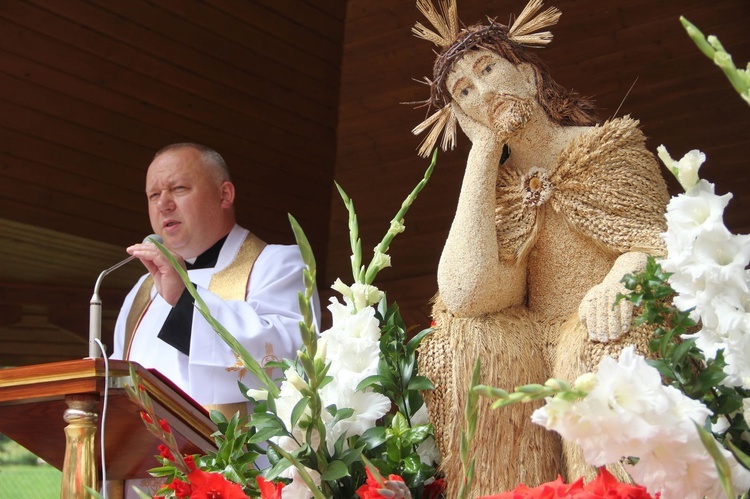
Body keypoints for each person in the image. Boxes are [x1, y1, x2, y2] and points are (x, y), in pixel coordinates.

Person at [410, 1, 670, 496]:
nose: (483, 91)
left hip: (599, 326)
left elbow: (654, 243)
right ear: (462, 115)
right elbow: (469, 295)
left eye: (488, 69)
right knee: (456, 342)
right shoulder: (499, 191)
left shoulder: (607, 149)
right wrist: (484, 153)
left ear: (528, 77)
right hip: (534, 341)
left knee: (591, 349)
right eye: (464, 90)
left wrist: (620, 280)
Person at [111, 142, 319, 414]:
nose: (163, 204)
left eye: (178, 189)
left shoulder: (279, 264)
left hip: (240, 454)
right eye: (153, 195)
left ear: (224, 195)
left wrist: (185, 300)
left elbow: (287, 361)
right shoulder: (142, 290)